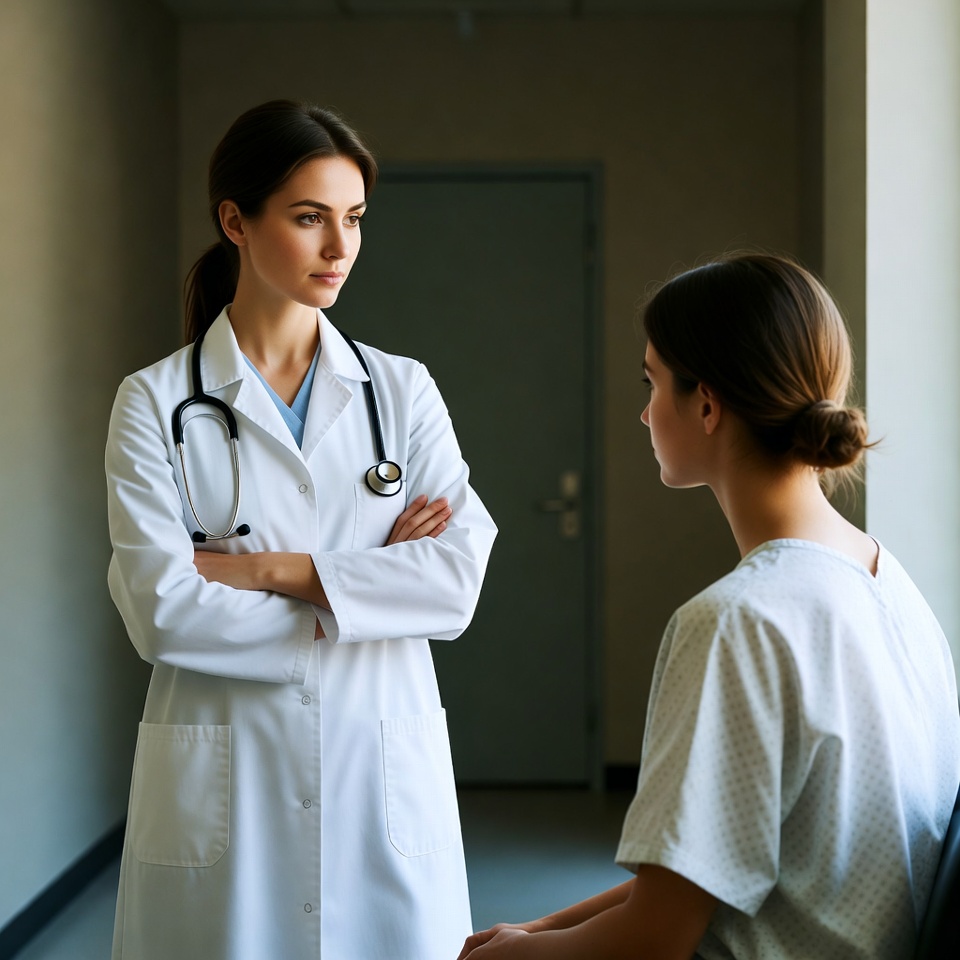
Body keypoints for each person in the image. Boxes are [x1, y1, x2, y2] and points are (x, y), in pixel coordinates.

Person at [458, 253, 960, 960]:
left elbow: (655, 939)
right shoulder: (886, 579)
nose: (642, 410)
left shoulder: (738, 621)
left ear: (706, 403)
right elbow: (697, 879)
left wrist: (510, 954)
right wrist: (545, 928)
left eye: (652, 381)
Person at [104, 99, 497, 960]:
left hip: (378, 767)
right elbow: (161, 610)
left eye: (353, 219)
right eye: (309, 217)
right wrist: (362, 588)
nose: (339, 248)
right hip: (224, 781)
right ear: (234, 222)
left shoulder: (401, 391)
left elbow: (454, 581)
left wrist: (264, 571)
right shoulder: (155, 402)